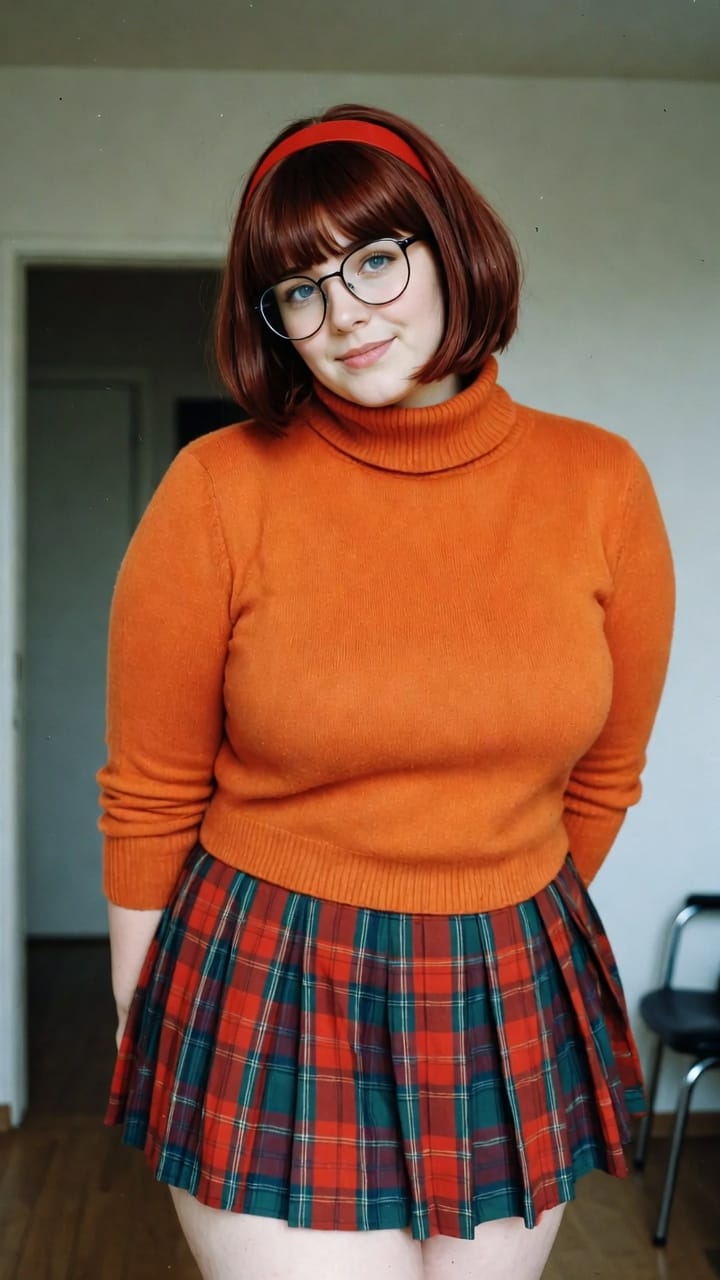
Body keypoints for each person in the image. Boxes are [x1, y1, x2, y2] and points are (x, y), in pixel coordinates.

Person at [97, 103, 675, 1280]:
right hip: (268, 966)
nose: (344, 310)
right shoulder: (215, 489)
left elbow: (606, 774)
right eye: (298, 288)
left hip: (511, 970)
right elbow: (150, 790)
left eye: (372, 258)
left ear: (450, 244)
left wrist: (494, 897)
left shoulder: (602, 483)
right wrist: (147, 1014)